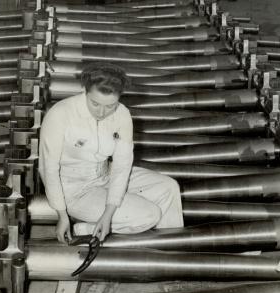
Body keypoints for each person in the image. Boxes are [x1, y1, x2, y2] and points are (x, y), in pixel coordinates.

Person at [39, 62, 183, 244]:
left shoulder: (122, 114)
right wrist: (62, 215)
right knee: (150, 214)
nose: (102, 112)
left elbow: (122, 167)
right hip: (75, 191)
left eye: (110, 106)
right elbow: (48, 169)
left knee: (169, 187)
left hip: (105, 175)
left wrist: (108, 212)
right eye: (95, 103)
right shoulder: (60, 114)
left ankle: (170, 246)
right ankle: (83, 230)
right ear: (85, 91)